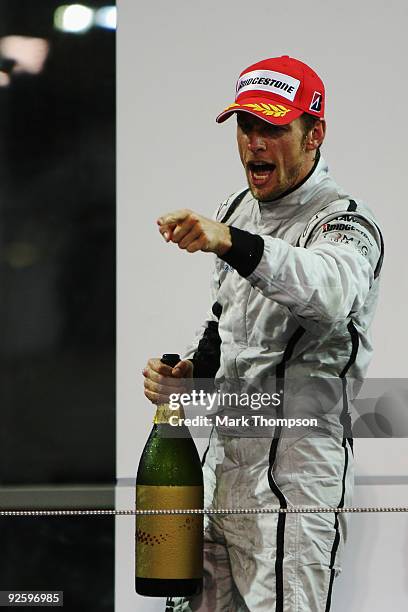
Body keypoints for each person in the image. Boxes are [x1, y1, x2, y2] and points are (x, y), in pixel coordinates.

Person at [142, 55, 384, 612]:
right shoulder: (238, 210)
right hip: (224, 471)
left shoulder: (345, 219)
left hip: (296, 484)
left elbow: (329, 294)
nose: (254, 142)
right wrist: (190, 375)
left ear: (314, 134)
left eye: (272, 127)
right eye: (246, 127)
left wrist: (231, 241)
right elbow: (228, 322)